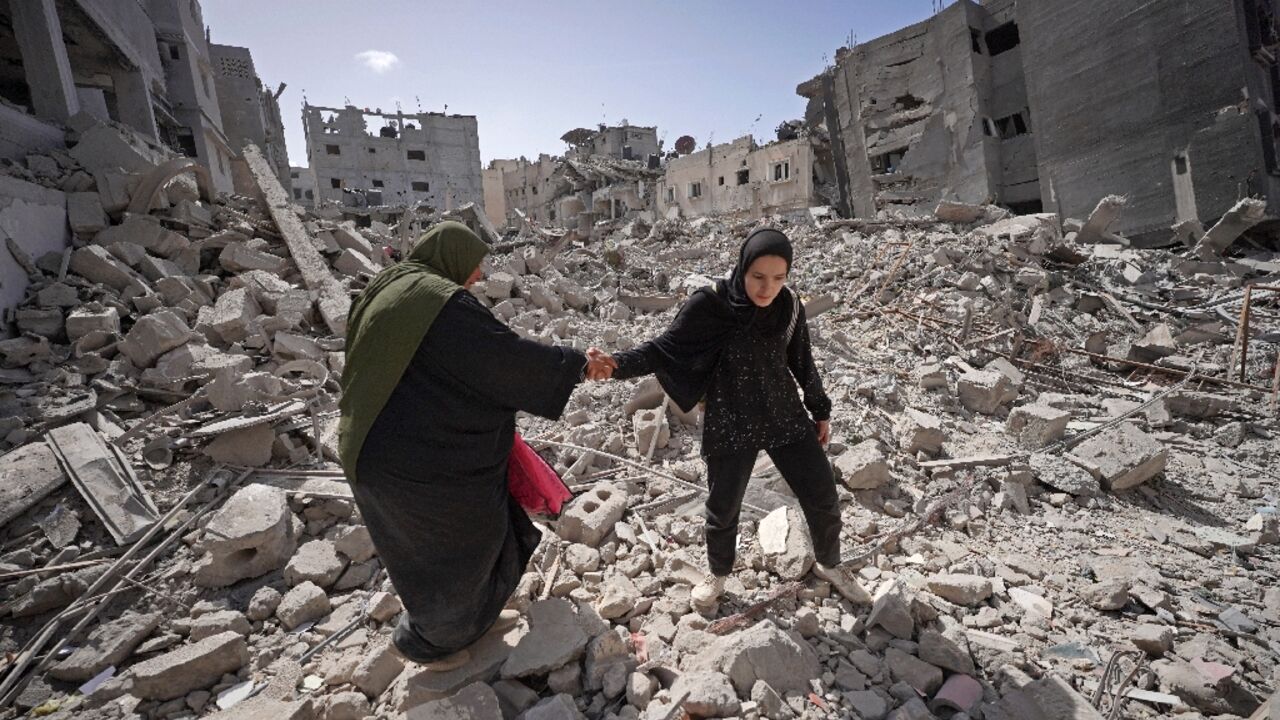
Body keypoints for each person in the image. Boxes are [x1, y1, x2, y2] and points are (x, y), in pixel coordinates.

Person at [338, 221, 611, 670]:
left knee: (442, 543)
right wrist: (578, 364)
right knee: (455, 550)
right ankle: (430, 642)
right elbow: (503, 360)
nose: (480, 275)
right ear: (451, 258)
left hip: (373, 445)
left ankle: (472, 623)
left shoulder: (390, 287)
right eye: (474, 264)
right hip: (410, 463)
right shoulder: (440, 303)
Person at [593, 228, 866, 605]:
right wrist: (616, 365)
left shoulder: (788, 306)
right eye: (758, 276)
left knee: (823, 496)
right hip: (731, 417)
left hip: (782, 413)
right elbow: (663, 350)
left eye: (779, 278)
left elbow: (802, 361)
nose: (768, 288)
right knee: (722, 509)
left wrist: (820, 410)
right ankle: (718, 573)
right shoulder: (710, 304)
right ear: (742, 267)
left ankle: (830, 563)